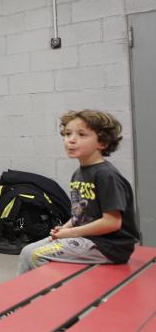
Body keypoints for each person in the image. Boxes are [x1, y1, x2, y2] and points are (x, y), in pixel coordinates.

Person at [18, 110, 140, 274]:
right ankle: (28, 291)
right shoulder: (78, 174)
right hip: (86, 239)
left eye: (81, 135)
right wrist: (63, 229)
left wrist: (71, 233)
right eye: (68, 134)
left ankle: (58, 290)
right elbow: (80, 215)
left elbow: (112, 222)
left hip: (109, 246)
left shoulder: (106, 175)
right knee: (27, 251)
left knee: (36, 255)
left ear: (102, 143)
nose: (71, 140)